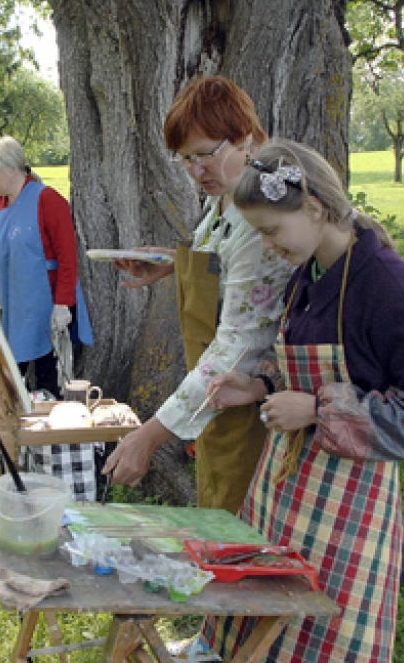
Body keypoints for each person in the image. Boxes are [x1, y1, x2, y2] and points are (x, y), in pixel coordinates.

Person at [201, 139, 404, 662]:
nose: (268, 245)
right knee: (261, 620)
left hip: (349, 512)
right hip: (283, 495)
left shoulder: (391, 289)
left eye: (271, 230)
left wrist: (318, 411)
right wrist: (259, 387)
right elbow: (297, 365)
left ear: (315, 208)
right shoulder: (309, 275)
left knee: (323, 637)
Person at [102, 76, 294, 513]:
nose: (195, 171)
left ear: (244, 138)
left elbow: (238, 347)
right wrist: (175, 262)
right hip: (217, 400)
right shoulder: (225, 196)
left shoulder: (258, 220)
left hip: (255, 404)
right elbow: (225, 265)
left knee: (243, 525)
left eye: (205, 154)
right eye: (186, 159)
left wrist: (150, 436)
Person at [0, 136, 97, 500]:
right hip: (14, 306)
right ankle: (18, 451)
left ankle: (51, 457)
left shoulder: (47, 200)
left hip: (46, 308)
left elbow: (68, 256)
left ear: (12, 169)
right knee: (12, 381)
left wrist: (63, 304)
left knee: (47, 382)